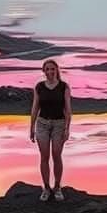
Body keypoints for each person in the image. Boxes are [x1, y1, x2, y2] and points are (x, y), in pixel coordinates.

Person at [30, 59, 72, 201]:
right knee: (44, 156)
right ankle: (46, 188)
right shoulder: (39, 87)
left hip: (59, 124)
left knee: (56, 155)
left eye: (52, 69)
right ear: (44, 71)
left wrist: (67, 128)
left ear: (57, 70)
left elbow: (68, 110)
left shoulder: (64, 87)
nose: (50, 72)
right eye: (47, 69)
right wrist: (31, 127)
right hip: (42, 124)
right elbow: (35, 107)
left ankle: (58, 187)